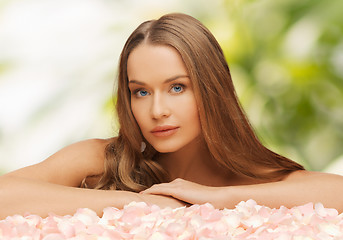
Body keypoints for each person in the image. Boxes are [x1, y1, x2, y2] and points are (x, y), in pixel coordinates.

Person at [0, 13, 342, 219]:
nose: (157, 110)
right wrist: (136, 204)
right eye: (141, 92)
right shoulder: (101, 160)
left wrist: (219, 198)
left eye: (177, 87)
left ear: (211, 88)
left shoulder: (251, 181)